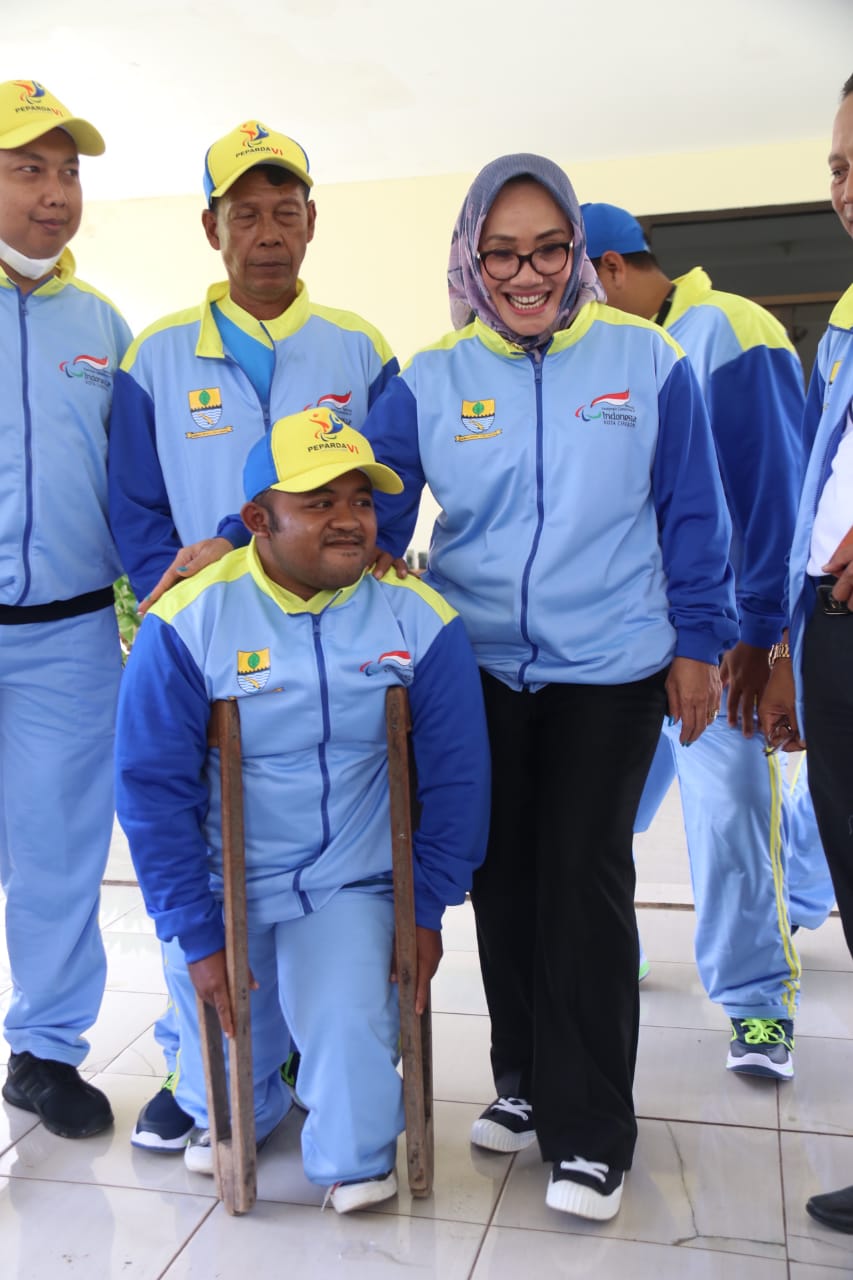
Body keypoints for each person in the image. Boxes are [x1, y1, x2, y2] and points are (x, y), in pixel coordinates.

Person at [360, 154, 738, 1221]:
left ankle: (591, 1130)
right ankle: (524, 1077)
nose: (526, 273)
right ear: (471, 256)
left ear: (579, 252)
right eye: (503, 253)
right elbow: (365, 510)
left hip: (609, 665)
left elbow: (691, 510)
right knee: (504, 878)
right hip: (476, 667)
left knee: (581, 878)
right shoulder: (430, 377)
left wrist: (698, 640)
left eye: (548, 249)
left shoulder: (646, 358)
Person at [114, 407, 490, 1212]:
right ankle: (252, 1074)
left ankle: (342, 1126)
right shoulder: (188, 620)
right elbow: (151, 789)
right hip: (227, 886)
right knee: (228, 1109)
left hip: (348, 881)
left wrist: (424, 907)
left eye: (360, 501)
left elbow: (459, 778)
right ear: (258, 521)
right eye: (319, 503)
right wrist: (194, 931)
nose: (349, 520)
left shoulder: (416, 616)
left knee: (353, 1074)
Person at [107, 120, 398, 1154]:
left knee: (321, 859)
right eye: (245, 214)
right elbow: (135, 504)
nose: (267, 232)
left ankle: (321, 1059)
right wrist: (175, 596)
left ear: (312, 222)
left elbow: (388, 484)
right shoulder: (155, 355)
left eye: (285, 211)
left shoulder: (358, 347)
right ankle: (199, 1062)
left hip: (329, 648)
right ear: (211, 229)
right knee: (200, 857)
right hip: (204, 652)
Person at [581, 201, 821, 1079]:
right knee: (599, 817)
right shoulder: (608, 351)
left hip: (715, 644)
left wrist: (762, 637)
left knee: (729, 819)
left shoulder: (727, 328)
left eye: (571, 283)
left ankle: (757, 1005)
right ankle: (618, 950)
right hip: (625, 642)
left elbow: (773, 494)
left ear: (608, 268)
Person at [0, 80, 131, 1137]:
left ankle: (45, 1052)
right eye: (28, 169)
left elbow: (139, 482)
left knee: (58, 853)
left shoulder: (103, 326)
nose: (55, 193)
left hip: (72, 636)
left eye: (69, 172)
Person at [759, 71, 853, 1233]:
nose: (845, 184)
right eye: (836, 164)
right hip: (832, 628)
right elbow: (818, 484)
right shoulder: (843, 318)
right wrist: (788, 647)